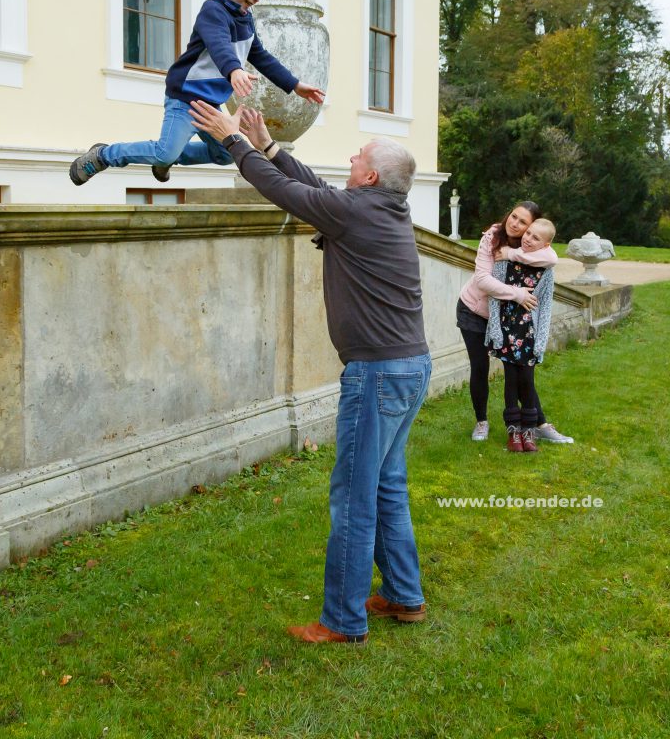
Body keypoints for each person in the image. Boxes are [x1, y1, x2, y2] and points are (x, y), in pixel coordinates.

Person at [189, 98, 431, 646]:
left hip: (378, 375)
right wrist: (268, 146)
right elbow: (315, 193)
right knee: (386, 486)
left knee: (353, 497)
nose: (350, 156)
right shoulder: (377, 206)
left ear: (369, 175)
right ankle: (403, 595)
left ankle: (343, 621)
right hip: (407, 367)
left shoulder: (357, 211)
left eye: (358, 155)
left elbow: (287, 194)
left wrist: (235, 141)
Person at [69, 0, 325, 186]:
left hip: (210, 104)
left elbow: (261, 56)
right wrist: (234, 70)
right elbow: (219, 45)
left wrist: (294, 85)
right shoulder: (212, 11)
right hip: (186, 99)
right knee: (163, 150)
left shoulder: (245, 19)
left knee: (225, 154)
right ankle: (104, 155)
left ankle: (170, 159)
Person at [456, 202, 573, 444]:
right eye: (514, 217)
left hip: (509, 321)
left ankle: (539, 424)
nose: (515, 224)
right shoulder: (492, 236)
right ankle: (481, 422)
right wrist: (517, 293)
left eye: (523, 222)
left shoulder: (528, 244)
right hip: (474, 311)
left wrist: (512, 254)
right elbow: (483, 280)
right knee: (480, 368)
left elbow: (552, 257)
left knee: (522, 371)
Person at [486, 219, 557, 453]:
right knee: (510, 380)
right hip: (507, 330)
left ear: (546, 245)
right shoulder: (504, 259)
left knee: (527, 381)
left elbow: (545, 306)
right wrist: (495, 328)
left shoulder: (546, 270)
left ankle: (529, 431)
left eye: (536, 238)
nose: (528, 238)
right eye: (528, 233)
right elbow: (494, 297)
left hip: (529, 333)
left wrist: (542, 339)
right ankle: (513, 432)